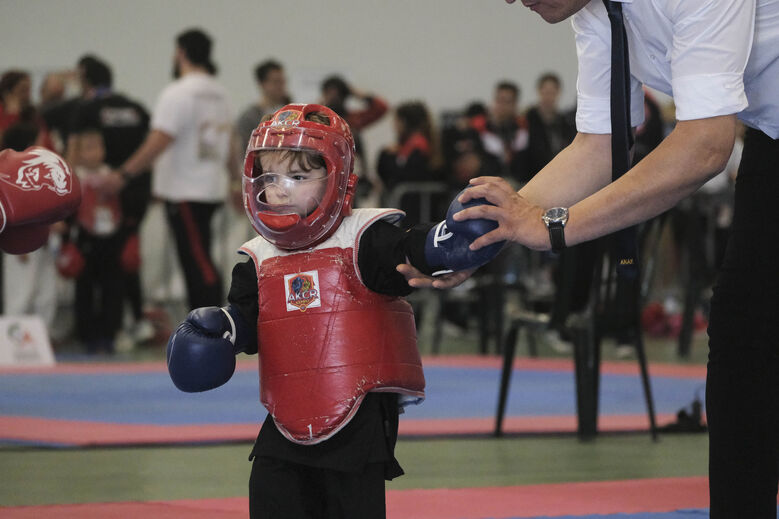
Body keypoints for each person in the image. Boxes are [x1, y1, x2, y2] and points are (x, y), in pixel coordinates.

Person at [438, 1, 779, 517]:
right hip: (774, 139)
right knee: (743, 341)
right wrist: (488, 234)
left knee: (747, 337)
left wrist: (554, 227)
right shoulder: (598, 12)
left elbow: (706, 144)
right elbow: (599, 144)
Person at [165, 104, 501, 519]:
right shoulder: (258, 258)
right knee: (270, 496)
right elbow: (249, 317)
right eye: (269, 178)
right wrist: (221, 330)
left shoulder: (362, 238)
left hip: (355, 429)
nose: (281, 189)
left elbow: (408, 252)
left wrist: (448, 241)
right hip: (284, 425)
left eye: (299, 177)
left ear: (339, 179)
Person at [99, 28, 237, 310]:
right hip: (211, 188)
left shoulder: (178, 93)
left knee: (197, 260)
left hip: (185, 189)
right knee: (199, 255)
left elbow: (159, 139)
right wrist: (235, 181)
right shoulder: (221, 94)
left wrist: (123, 174)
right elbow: (231, 143)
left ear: (181, 53)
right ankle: (204, 316)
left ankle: (211, 318)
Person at [68, 55, 153, 344]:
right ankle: (129, 322)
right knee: (123, 266)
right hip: (131, 195)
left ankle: (106, 330)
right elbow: (149, 153)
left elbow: (72, 150)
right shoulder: (137, 109)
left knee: (109, 271)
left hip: (105, 196)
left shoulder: (87, 109)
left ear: (85, 79)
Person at [65, 129, 124, 353]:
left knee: (111, 287)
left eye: (99, 147)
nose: (96, 153)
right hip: (84, 238)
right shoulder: (74, 176)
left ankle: (109, 333)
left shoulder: (111, 175)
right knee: (85, 288)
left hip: (108, 238)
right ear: (79, 153)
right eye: (89, 148)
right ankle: (87, 335)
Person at [525, 72, 575, 180]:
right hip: (531, 176)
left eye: (552, 92)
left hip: (558, 174)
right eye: (546, 92)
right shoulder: (527, 120)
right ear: (539, 91)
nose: (549, 97)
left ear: (558, 93)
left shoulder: (564, 122)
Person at [235, 59, 290, 147]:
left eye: (283, 81)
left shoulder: (291, 113)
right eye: (276, 82)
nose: (281, 86)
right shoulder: (249, 118)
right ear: (262, 84)